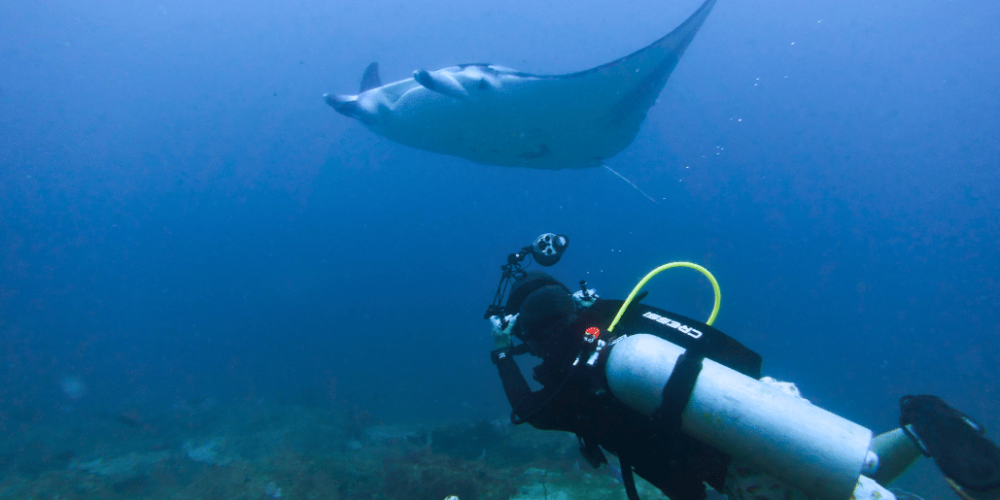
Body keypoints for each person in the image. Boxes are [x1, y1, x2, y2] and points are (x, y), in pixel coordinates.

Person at [485, 240, 1000, 500]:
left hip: (725, 453)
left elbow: (530, 411)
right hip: (756, 397)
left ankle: (922, 432)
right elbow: (719, 347)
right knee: (850, 463)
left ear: (530, 328)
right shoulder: (617, 316)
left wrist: (503, 352)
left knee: (842, 487)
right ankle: (922, 427)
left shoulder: (572, 367)